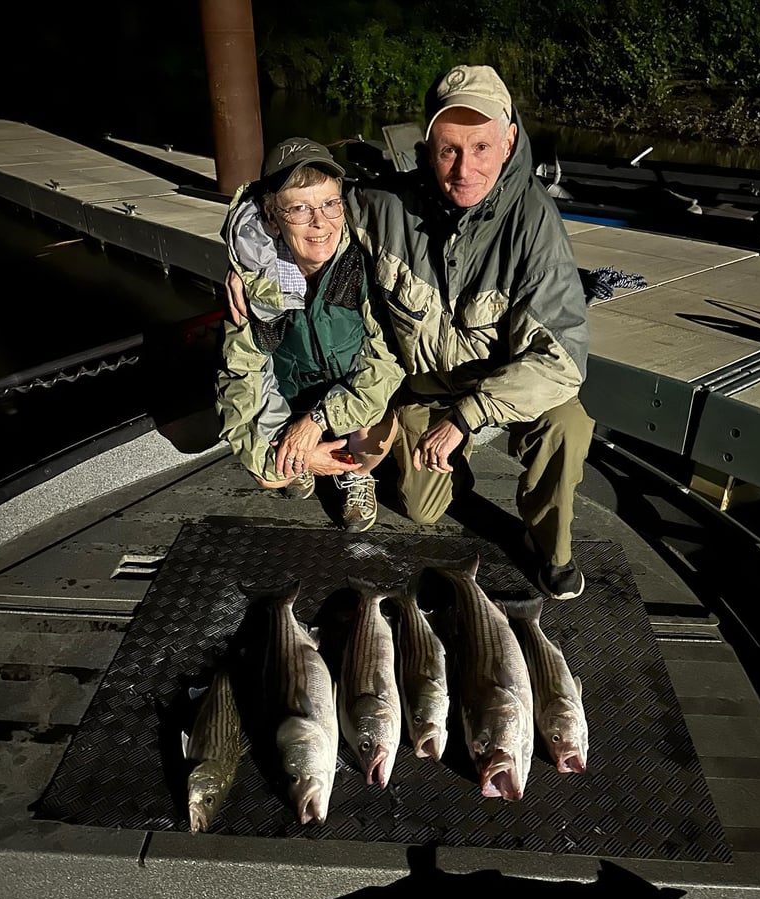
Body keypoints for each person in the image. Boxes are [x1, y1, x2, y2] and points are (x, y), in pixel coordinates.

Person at [226, 67, 594, 599]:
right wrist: (243, 260)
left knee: (567, 427)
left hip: (506, 388)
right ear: (428, 147)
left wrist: (470, 416)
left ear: (509, 139)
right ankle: (450, 463)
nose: (464, 168)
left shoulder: (536, 224)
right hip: (427, 389)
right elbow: (306, 206)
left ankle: (552, 552)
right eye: (448, 150)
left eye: (482, 147)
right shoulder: (387, 204)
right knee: (423, 510)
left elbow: (561, 360)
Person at [218, 138, 403, 532]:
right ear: (272, 217)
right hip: (291, 402)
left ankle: (355, 474)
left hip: (351, 404)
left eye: (330, 204)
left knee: (373, 441)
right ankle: (302, 459)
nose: (320, 223)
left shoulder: (364, 264)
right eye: (300, 208)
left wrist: (319, 422)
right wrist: (289, 452)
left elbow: (388, 364)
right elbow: (241, 379)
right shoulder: (253, 285)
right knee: (270, 474)